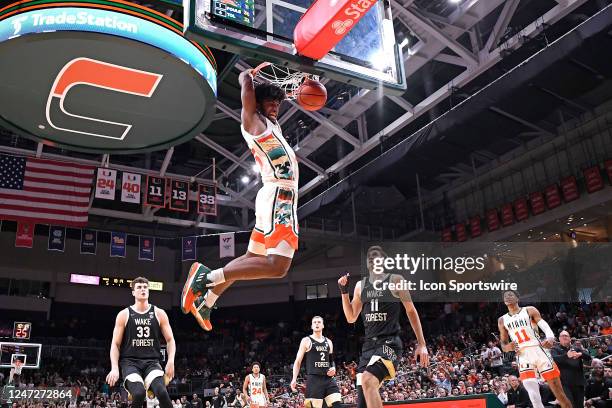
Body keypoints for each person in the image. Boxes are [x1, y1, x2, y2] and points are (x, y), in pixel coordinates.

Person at [181, 65, 300, 331]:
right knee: (278, 266)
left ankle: (208, 300)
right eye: (269, 101)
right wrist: (247, 76)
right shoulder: (252, 122)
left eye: (277, 103)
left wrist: (290, 89)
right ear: (256, 102)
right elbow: (247, 93)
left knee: (250, 259)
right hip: (279, 196)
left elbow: (280, 100)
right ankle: (205, 278)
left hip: (274, 197)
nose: (275, 106)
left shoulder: (272, 124)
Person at [337, 245, 429, 408]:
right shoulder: (360, 286)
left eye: (377, 255)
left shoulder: (396, 280)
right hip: (368, 347)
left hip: (389, 344)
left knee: (368, 380)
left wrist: (421, 344)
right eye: (370, 256)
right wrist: (344, 292)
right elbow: (351, 317)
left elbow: (411, 311)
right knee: (363, 403)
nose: (373, 258)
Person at [106, 277, 176, 408]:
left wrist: (171, 360)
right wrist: (114, 368)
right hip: (130, 363)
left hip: (152, 362)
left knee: (162, 392)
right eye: (139, 287)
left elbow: (170, 340)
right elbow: (115, 344)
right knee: (138, 394)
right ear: (133, 292)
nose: (143, 289)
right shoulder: (124, 314)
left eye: (145, 287)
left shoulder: (159, 313)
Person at [498, 290, 571, 408]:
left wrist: (550, 337)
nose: (508, 297)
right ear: (504, 302)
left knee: (560, 394)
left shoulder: (529, 310)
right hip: (522, 356)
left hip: (538, 350)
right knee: (534, 398)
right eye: (505, 296)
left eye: (511, 294)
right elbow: (503, 343)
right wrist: (507, 347)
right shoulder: (502, 320)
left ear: (518, 298)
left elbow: (544, 325)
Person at [290, 316, 341, 408]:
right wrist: (294, 378)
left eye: (319, 322)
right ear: (311, 326)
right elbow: (298, 361)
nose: (317, 324)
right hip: (314, 379)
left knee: (337, 404)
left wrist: (333, 368)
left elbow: (331, 361)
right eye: (314, 322)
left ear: (323, 326)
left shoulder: (329, 342)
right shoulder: (306, 341)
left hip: (328, 379)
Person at [552, 330, 592, 408]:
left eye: (566, 336)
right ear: (559, 339)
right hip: (564, 383)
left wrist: (580, 354)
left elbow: (588, 356)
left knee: (580, 406)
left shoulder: (576, 349)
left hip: (579, 382)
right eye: (562, 336)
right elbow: (554, 359)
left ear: (570, 338)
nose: (564, 337)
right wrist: (566, 355)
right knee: (570, 405)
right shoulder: (555, 349)